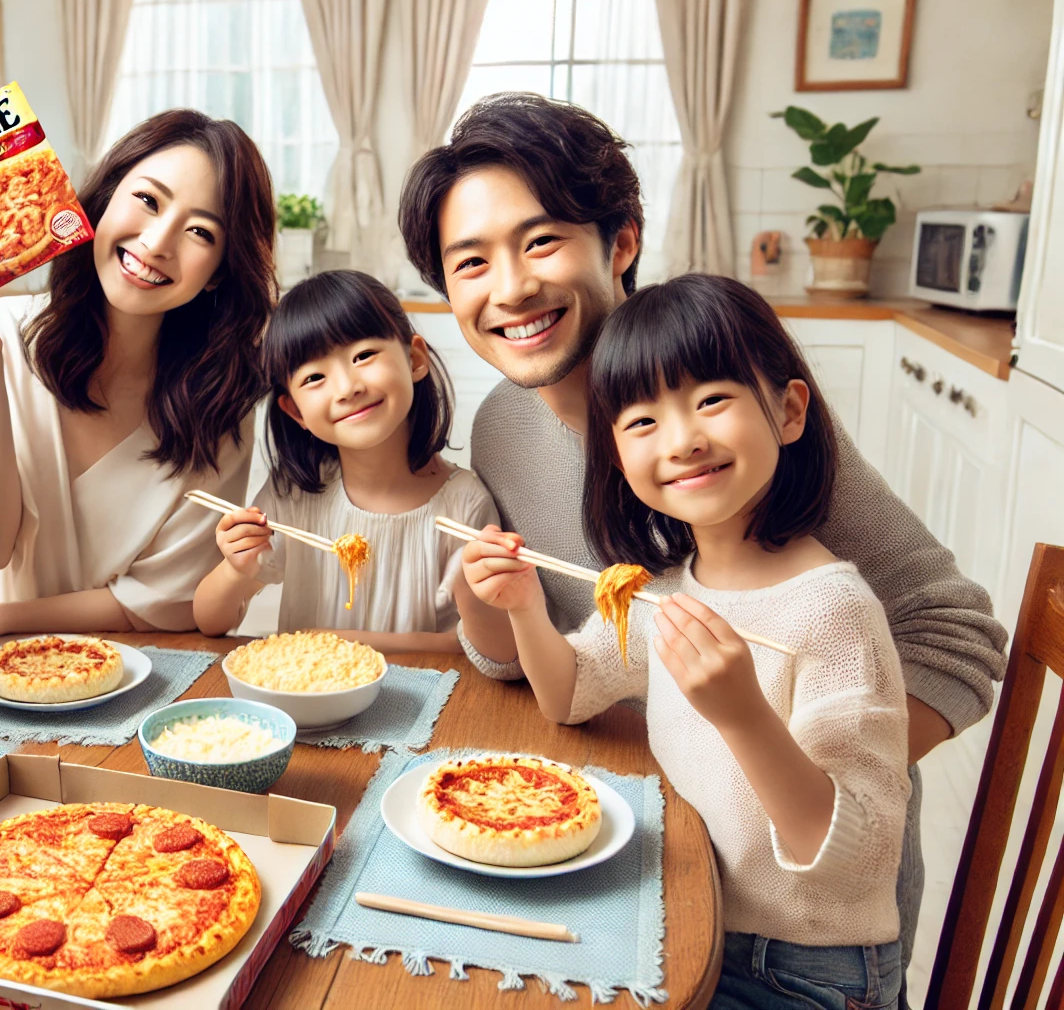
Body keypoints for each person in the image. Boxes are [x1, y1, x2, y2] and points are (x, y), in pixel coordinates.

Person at [398, 91, 1007, 973]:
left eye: (540, 241)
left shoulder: (729, 441)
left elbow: (955, 637)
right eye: (470, 264)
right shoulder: (500, 426)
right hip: (628, 834)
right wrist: (488, 606)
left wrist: (761, 762)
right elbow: (548, 662)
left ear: (623, 241)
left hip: (796, 921)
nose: (512, 288)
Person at [462, 275, 909, 1009]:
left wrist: (742, 715)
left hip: (800, 966)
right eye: (642, 422)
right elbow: (569, 693)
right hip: (693, 914)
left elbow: (850, 865)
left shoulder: (835, 611)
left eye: (710, 400)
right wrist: (520, 607)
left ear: (790, 411)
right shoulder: (669, 584)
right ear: (615, 455)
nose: (683, 439)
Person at [0, 109, 276, 647]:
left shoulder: (220, 399)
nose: (156, 243)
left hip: (123, 673)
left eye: (200, 231)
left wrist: (8, 620)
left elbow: (166, 601)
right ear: (102, 201)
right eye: (148, 201)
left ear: (220, 269)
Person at [192, 270, 500, 651]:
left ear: (415, 359)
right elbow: (210, 622)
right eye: (315, 377)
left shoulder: (465, 505)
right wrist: (235, 570)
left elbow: (478, 647)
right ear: (296, 412)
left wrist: (344, 642)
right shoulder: (295, 494)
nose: (347, 388)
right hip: (306, 701)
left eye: (364, 355)